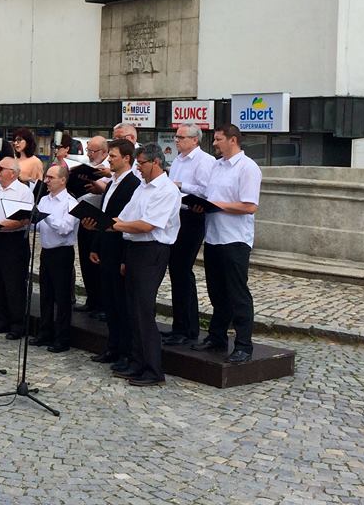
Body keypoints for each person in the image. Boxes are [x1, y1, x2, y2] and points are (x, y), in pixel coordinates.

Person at [111, 144, 182, 386]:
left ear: (156, 162)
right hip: (134, 249)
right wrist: (104, 222)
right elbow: (125, 217)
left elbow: (148, 225)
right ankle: (137, 362)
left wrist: (115, 225)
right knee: (132, 308)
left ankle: (153, 369)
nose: (138, 168)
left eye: (141, 163)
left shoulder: (167, 190)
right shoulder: (142, 187)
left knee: (143, 309)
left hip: (152, 251)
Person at [192, 124, 262, 364]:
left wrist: (217, 205)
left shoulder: (247, 167)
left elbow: (249, 206)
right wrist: (203, 204)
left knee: (237, 293)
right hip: (214, 236)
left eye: (218, 139)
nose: (214, 143)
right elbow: (211, 196)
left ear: (233, 140)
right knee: (216, 291)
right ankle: (217, 336)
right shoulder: (217, 165)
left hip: (235, 239)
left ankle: (244, 345)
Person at [85, 139, 140, 369]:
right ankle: (113, 346)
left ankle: (126, 351)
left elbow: (129, 222)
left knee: (121, 303)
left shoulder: (133, 184)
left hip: (121, 247)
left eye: (114, 156)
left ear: (127, 158)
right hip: (106, 246)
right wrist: (95, 245)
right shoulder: (111, 184)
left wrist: (126, 258)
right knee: (109, 300)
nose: (109, 160)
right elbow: (105, 215)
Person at [165, 124, 216, 346]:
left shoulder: (204, 161)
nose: (177, 140)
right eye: (176, 137)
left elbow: (206, 190)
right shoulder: (178, 160)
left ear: (195, 140)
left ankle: (189, 328)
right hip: (177, 215)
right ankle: (179, 326)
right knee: (176, 272)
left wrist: (180, 185)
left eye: (181, 137)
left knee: (183, 270)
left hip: (193, 216)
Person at [0, 157, 34, 340]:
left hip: (13, 240)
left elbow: (24, 219)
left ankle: (17, 324)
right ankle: (0, 320)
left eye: (1, 168)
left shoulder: (23, 191)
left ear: (12, 173)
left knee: (14, 283)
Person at [32, 164, 79, 352]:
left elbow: (64, 228)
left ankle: (62, 338)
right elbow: (39, 226)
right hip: (46, 251)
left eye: (51, 178)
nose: (47, 181)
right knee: (46, 294)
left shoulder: (70, 203)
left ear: (63, 180)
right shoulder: (44, 199)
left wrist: (45, 216)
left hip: (62, 252)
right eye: (46, 177)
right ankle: (45, 332)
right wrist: (31, 219)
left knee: (62, 297)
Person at [74, 136, 110, 316]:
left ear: (104, 152)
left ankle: (102, 304)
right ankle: (91, 299)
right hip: (84, 217)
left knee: (98, 264)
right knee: (85, 262)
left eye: (93, 151)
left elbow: (109, 190)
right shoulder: (88, 166)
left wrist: (96, 184)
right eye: (88, 150)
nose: (89, 154)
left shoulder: (108, 169)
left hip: (100, 221)